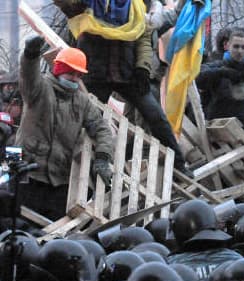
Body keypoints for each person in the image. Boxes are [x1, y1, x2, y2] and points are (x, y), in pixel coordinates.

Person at [52, 0, 192, 176]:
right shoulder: (87, 4)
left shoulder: (136, 7)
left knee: (156, 116)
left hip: (128, 74)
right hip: (95, 74)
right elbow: (64, 3)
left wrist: (143, 68)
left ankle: (179, 165)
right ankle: (65, 168)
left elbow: (144, 39)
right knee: (82, 120)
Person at [16, 36, 113, 221]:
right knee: (18, 223)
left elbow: (102, 129)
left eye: (79, 75)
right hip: (27, 172)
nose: (75, 78)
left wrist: (102, 157)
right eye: (71, 73)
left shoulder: (82, 101)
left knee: (50, 230)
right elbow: (28, 73)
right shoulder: (39, 88)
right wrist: (30, 54)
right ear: (59, 69)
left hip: (59, 179)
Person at [195, 28, 244, 136]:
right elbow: (197, 77)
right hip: (218, 127)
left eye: (243, 47)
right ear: (227, 46)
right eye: (236, 46)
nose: (239, 51)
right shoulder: (217, 66)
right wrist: (221, 73)